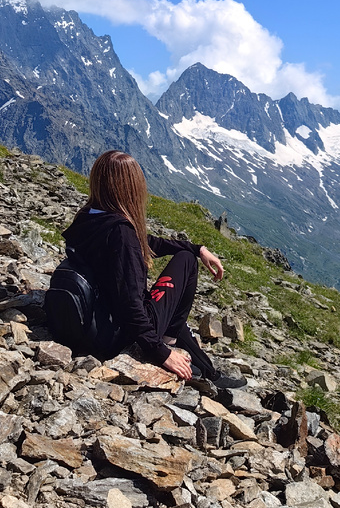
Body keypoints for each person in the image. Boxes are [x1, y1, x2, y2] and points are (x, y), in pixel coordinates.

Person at [60, 150, 246, 389]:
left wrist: (198, 248)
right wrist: (161, 353)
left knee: (188, 255)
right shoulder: (121, 233)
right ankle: (174, 344)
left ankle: (207, 371)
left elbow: (144, 242)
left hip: (94, 320)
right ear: (130, 188)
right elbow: (130, 306)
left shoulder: (89, 218)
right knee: (186, 261)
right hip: (117, 334)